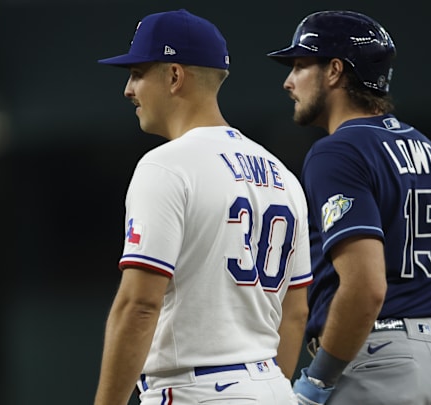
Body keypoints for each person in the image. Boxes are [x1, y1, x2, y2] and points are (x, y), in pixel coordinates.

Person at [93, 9, 313, 405]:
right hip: (273, 387)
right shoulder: (283, 176)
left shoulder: (166, 166)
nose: (129, 89)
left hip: (197, 391)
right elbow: (296, 312)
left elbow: (140, 305)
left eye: (139, 73)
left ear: (174, 76)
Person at [266, 10, 431, 405]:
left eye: (301, 65)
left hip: (372, 361)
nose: (289, 82)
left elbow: (367, 286)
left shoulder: (338, 151)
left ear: (335, 71)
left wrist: (318, 380)